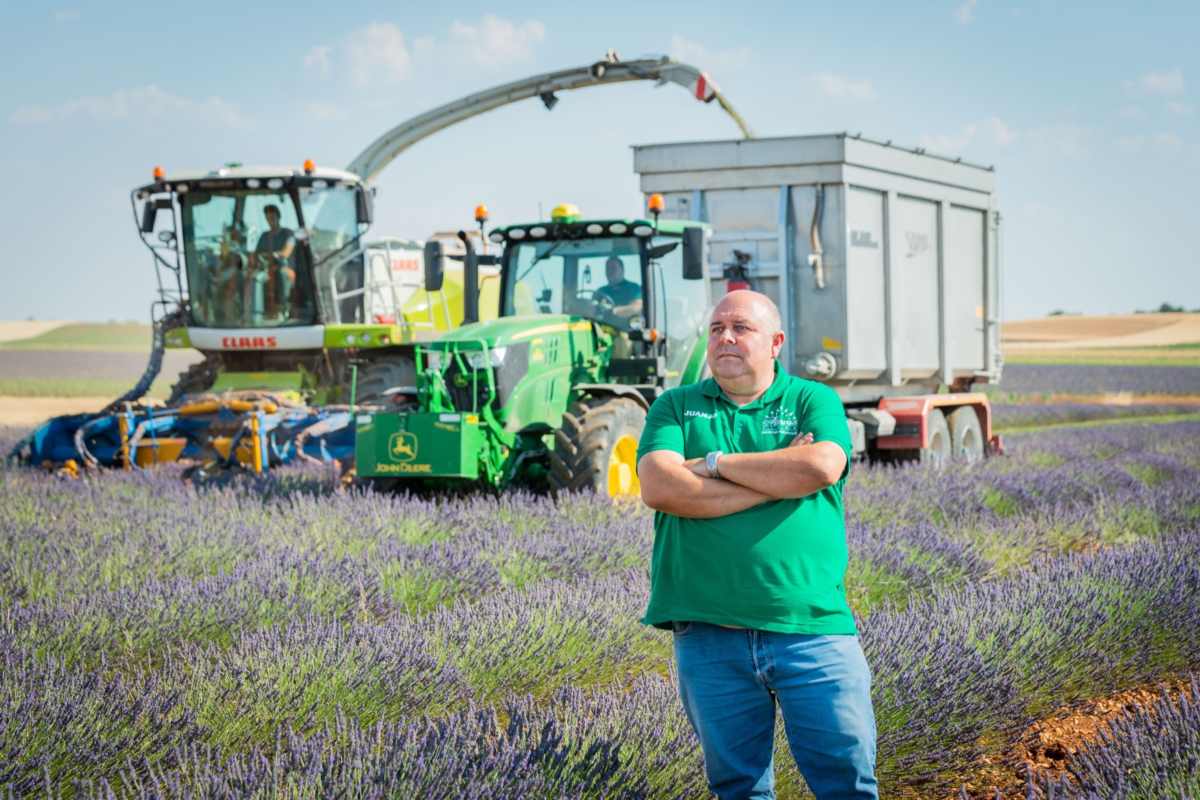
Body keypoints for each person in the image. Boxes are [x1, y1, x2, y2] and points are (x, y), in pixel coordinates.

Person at [637, 290, 877, 800]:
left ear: (776, 343)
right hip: (709, 635)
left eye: (741, 327)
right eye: (717, 327)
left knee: (847, 784)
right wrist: (773, 477)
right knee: (739, 788)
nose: (725, 337)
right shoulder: (675, 406)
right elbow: (660, 488)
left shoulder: (812, 400)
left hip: (810, 630)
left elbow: (818, 467)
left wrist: (711, 466)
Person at [252, 204, 296, 318]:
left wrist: (273, 255)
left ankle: (283, 308)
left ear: (278, 217)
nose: (270, 221)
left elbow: (286, 252)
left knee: (281, 273)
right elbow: (256, 254)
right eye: (268, 219)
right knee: (252, 277)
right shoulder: (264, 236)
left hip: (285, 268)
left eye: (272, 218)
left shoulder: (288, 233)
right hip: (266, 269)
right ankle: (253, 312)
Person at [592, 256, 643, 326]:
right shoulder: (600, 291)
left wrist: (614, 311)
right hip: (602, 330)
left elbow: (637, 307)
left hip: (626, 331)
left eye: (613, 268)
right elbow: (592, 311)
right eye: (607, 269)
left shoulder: (633, 288)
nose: (610, 271)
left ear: (622, 270)